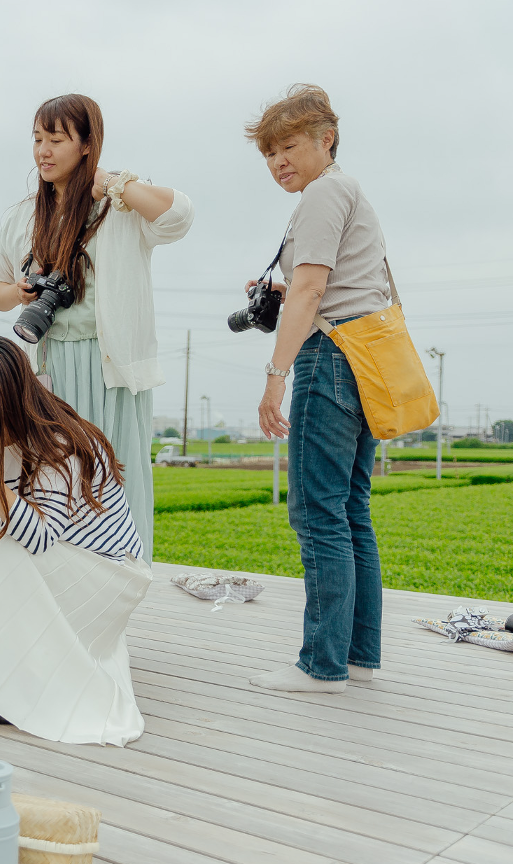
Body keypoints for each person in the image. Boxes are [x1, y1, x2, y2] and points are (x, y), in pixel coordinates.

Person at [0, 94, 193, 563]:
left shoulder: (120, 205)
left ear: (86, 144)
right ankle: (61, 575)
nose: (43, 151)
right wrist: (18, 292)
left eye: (56, 139)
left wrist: (115, 184)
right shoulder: (22, 216)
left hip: (110, 365)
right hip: (51, 366)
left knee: (118, 475)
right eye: (37, 139)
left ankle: (123, 573)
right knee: (56, 478)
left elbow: (180, 215)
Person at [0, 336, 151, 746]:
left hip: (106, 575)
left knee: (2, 551)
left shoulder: (60, 442)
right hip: (54, 565)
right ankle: (5, 678)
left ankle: (22, 688)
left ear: (13, 395)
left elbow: (39, 538)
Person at [243, 85, 388, 693]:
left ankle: (321, 665)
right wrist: (287, 293)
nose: (279, 162)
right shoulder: (345, 190)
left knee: (317, 512)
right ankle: (357, 657)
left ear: (326, 139)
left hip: (329, 358)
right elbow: (330, 285)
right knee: (351, 509)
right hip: (364, 356)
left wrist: (275, 377)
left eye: (289, 147)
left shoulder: (324, 193)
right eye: (269, 153)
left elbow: (310, 290)